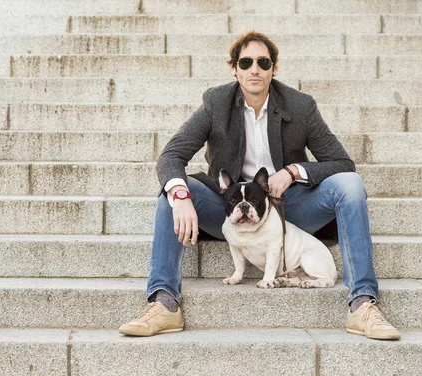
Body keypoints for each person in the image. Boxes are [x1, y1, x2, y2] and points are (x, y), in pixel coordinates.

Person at [118, 31, 401, 340]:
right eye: (246, 62)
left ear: (274, 68)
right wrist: (181, 194)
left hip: (291, 209)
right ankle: (164, 302)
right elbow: (172, 154)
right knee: (171, 194)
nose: (255, 69)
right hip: (229, 207)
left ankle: (362, 302)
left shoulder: (300, 105)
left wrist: (293, 171)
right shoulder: (216, 103)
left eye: (263, 62)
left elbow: (342, 163)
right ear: (234, 68)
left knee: (351, 184)